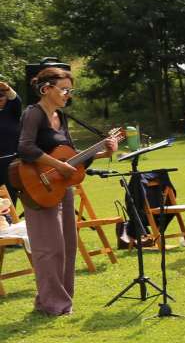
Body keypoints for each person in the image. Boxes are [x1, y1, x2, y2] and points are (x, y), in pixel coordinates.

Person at [16, 68, 122, 315]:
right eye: (64, 89)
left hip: (61, 186)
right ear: (46, 89)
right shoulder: (33, 113)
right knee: (49, 248)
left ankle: (55, 300)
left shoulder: (61, 117)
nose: (68, 94)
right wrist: (57, 164)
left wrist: (105, 152)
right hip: (37, 187)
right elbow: (25, 147)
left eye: (70, 90)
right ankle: (53, 304)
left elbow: (72, 157)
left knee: (67, 245)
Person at [0, 77, 22, 203]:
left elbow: (16, 100)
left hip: (10, 163)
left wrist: (7, 88)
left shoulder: (13, 112)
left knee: (9, 200)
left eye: (2, 97)